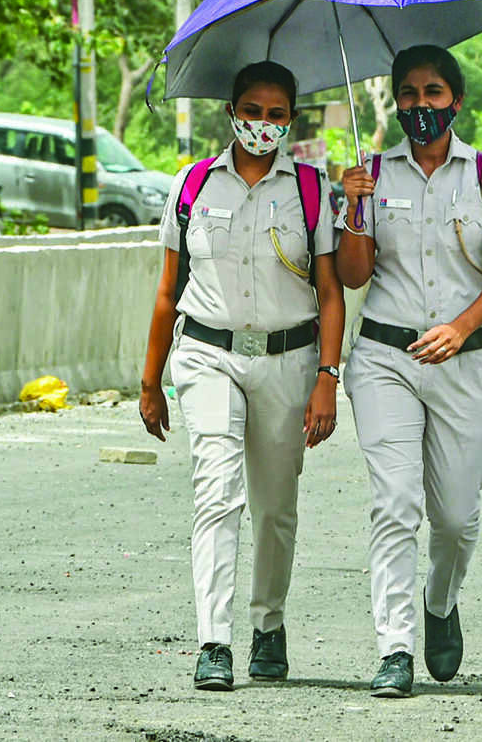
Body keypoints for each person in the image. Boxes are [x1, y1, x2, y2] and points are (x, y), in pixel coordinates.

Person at [138, 61, 344, 691]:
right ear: (231, 112)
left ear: (291, 121)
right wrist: (150, 381)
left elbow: (332, 293)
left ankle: (269, 626)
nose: (263, 123)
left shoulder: (312, 190)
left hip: (289, 360)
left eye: (276, 113)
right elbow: (169, 289)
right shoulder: (193, 184)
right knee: (217, 493)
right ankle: (214, 641)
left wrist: (327, 378)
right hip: (207, 357)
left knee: (275, 507)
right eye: (252, 110)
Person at [335, 44, 482, 696]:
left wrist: (462, 326)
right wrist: (353, 207)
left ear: (456, 100)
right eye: (409, 94)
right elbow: (353, 275)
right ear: (396, 101)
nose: (421, 105)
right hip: (385, 359)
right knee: (395, 504)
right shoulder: (369, 174)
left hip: (465, 364)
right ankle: (395, 648)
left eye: (433, 93)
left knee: (454, 519)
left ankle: (440, 601)